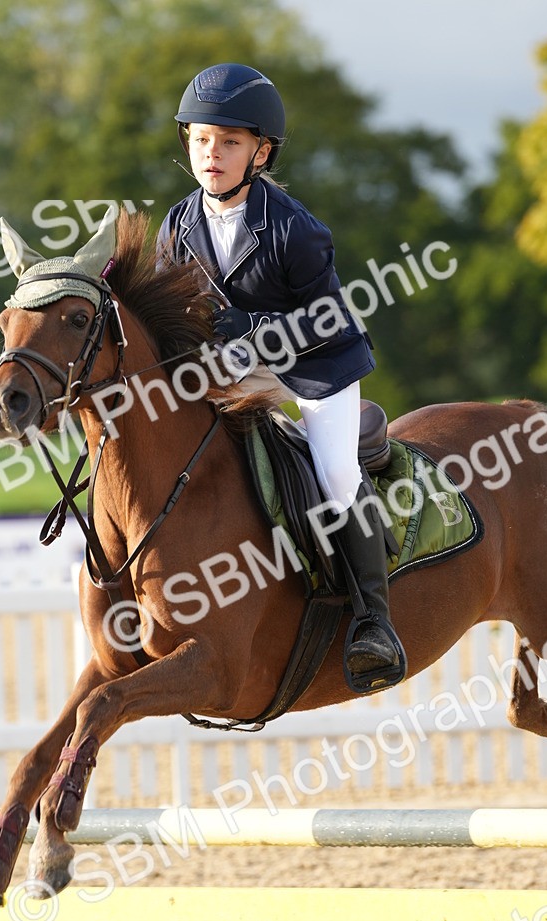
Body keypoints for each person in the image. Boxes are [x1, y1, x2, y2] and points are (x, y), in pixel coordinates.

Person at [157, 62, 405, 688]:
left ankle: (375, 620)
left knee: (337, 473)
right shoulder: (178, 225)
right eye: (202, 140)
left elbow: (326, 318)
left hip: (315, 369)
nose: (212, 153)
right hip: (236, 372)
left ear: (259, 153)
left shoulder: (295, 228)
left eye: (230, 142)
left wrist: (249, 330)